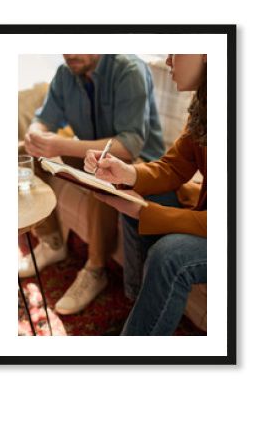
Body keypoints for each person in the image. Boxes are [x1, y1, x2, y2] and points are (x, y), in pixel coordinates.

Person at [20, 54, 165, 315]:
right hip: (91, 152)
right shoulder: (66, 73)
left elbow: (128, 147)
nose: (70, 53)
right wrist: (36, 133)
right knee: (25, 155)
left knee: (104, 173)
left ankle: (95, 270)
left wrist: (59, 145)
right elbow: (45, 118)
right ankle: (52, 242)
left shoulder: (129, 70)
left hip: (139, 162)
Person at [84, 54, 207, 335]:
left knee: (170, 255)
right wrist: (129, 174)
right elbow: (175, 166)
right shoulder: (204, 102)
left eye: (176, 51)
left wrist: (142, 211)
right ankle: (139, 308)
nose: (167, 60)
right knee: (132, 192)